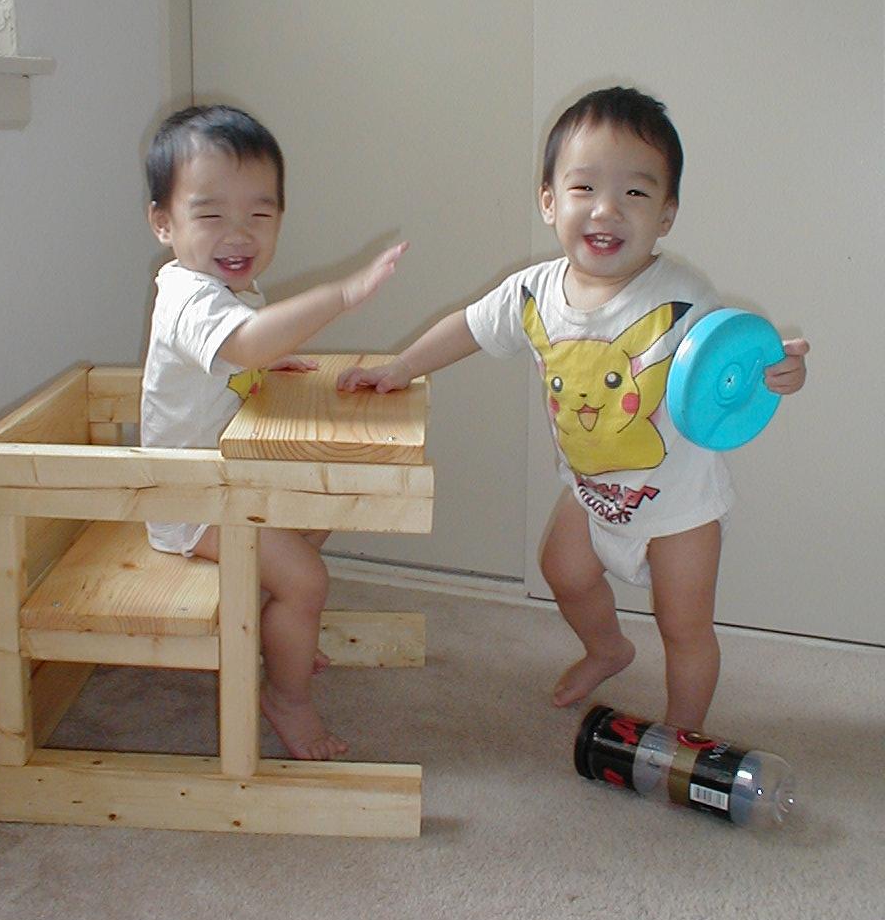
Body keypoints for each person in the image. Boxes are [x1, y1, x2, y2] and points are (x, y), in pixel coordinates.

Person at [338, 86, 807, 732]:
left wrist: (779, 371)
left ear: (666, 215)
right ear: (549, 201)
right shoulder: (533, 293)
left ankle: (682, 733)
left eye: (635, 192)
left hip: (678, 505)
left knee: (684, 627)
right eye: (584, 188)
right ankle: (607, 649)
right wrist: (400, 367)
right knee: (562, 571)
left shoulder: (680, 295)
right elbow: (468, 327)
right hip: (591, 493)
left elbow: (735, 368)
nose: (606, 209)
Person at [141, 104, 407, 760]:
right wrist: (341, 295)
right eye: (211, 215)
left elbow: (236, 349)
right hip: (190, 503)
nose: (239, 234)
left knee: (319, 509)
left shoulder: (227, 289)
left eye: (259, 215)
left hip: (226, 480)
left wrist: (256, 362)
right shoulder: (189, 296)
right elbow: (241, 339)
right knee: (307, 578)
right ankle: (286, 697)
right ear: (163, 223)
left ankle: (282, 627)